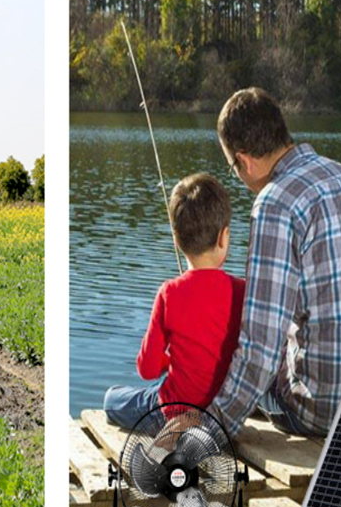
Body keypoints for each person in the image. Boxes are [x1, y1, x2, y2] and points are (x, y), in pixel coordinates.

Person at [211, 87, 341, 438]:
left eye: (234, 169)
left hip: (330, 415)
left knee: (240, 358)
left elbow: (260, 349)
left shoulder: (274, 203)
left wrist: (210, 427)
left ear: (244, 160)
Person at [103, 173, 245, 429]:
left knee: (112, 399)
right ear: (224, 237)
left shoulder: (169, 293)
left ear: (177, 239)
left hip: (173, 413)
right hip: (220, 414)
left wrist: (168, 361)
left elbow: (146, 369)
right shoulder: (242, 291)